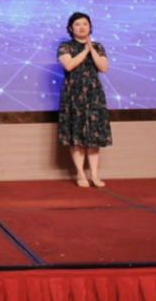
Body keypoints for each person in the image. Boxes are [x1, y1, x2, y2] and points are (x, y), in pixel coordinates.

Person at [57, 11, 112, 187]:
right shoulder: (65, 46)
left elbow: (103, 67)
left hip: (94, 95)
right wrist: (85, 50)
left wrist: (92, 49)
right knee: (77, 136)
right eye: (77, 24)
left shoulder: (98, 46)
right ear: (70, 28)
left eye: (85, 24)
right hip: (73, 95)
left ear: (90, 27)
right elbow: (69, 65)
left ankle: (94, 175)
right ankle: (80, 174)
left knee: (94, 136)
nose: (81, 27)